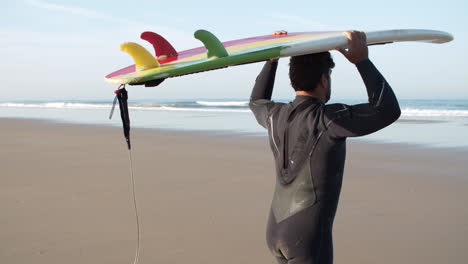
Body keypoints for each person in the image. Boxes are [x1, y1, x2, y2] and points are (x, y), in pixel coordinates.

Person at [249, 30, 401, 264]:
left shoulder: (274, 115)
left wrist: (272, 59)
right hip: (306, 238)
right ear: (323, 79)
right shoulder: (327, 119)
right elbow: (387, 110)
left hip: (275, 230)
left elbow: (256, 101)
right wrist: (362, 62)